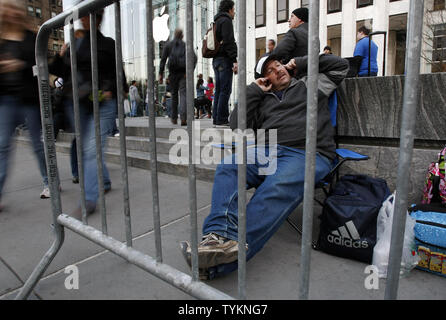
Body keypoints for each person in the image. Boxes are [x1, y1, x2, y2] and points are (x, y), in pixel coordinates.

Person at [180, 53, 349, 280]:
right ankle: (217, 237)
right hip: (268, 151)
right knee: (230, 165)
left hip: (307, 153)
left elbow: (341, 66)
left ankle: (218, 263)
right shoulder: (262, 100)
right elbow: (236, 125)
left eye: (278, 64)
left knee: (274, 188)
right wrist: (254, 91)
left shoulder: (311, 85)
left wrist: (298, 63)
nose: (277, 69)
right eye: (270, 70)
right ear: (265, 80)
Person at [49, 9, 127, 217]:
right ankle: (105, 181)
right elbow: (58, 70)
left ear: (99, 18)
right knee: (87, 148)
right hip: (79, 104)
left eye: (90, 15)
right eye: (82, 16)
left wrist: (111, 90)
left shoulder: (108, 44)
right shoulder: (75, 44)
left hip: (103, 103)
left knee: (91, 149)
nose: (85, 20)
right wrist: (60, 54)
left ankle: (90, 199)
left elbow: (120, 75)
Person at [0, 0, 50, 211]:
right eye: (7, 8)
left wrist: (19, 64)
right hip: (6, 99)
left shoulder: (32, 37)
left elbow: (39, 64)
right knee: (2, 145)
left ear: (21, 12)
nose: (12, 12)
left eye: (15, 9)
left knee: (37, 144)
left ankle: (49, 182)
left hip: (29, 99)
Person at [159, 29, 196, 126]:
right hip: (183, 73)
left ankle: (174, 118)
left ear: (174, 35)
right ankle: (183, 118)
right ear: (182, 36)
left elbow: (163, 59)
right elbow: (194, 58)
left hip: (173, 74)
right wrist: (189, 71)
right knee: (183, 95)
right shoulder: (185, 45)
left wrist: (160, 73)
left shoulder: (168, 45)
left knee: (174, 95)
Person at [212, 0, 238, 127]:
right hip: (224, 59)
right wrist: (234, 60)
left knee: (218, 90)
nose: (235, 12)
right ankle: (222, 119)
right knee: (225, 90)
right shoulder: (226, 21)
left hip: (216, 59)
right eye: (234, 9)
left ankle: (216, 119)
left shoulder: (216, 21)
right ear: (229, 9)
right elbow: (229, 41)